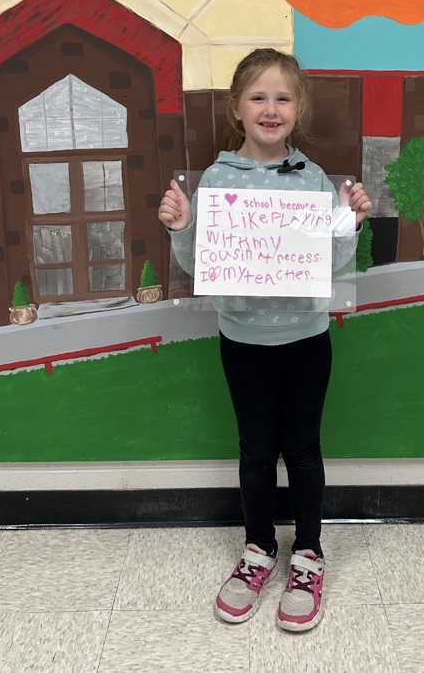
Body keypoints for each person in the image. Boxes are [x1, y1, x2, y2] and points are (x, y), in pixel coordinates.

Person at [158, 48, 371, 633]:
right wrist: (180, 229)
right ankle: (257, 550)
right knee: (255, 451)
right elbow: (201, 259)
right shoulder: (220, 180)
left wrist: (350, 225)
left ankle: (308, 554)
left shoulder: (315, 180)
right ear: (237, 108)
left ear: (298, 109)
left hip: (307, 338)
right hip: (242, 339)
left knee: (302, 450)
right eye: (258, 97)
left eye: (282, 97)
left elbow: (330, 260)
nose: (270, 108)